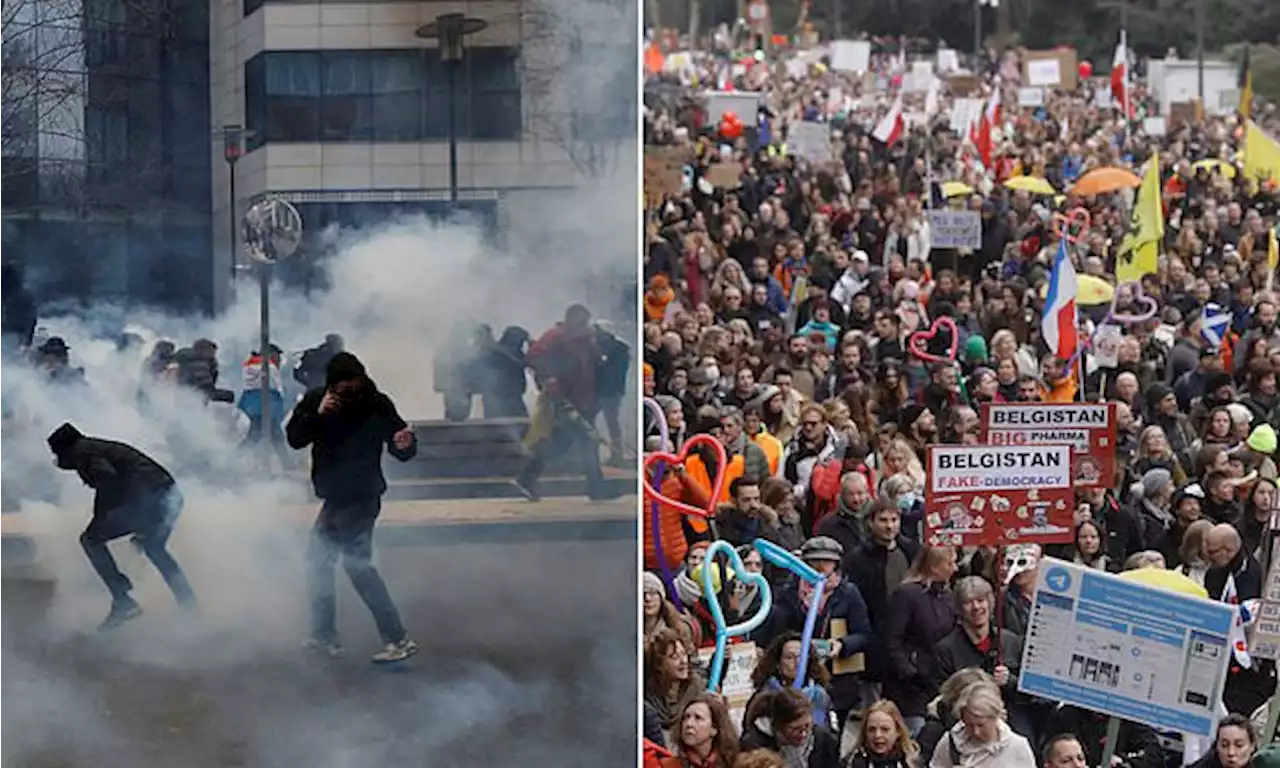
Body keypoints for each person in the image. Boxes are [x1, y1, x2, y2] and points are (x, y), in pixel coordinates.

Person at [284, 352, 419, 664]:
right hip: (334, 497)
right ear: (331, 386)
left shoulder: (376, 403)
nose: (349, 394)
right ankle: (324, 637)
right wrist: (316, 415)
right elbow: (294, 440)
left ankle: (397, 638)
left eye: (354, 386)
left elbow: (401, 445)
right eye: (342, 389)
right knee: (318, 562)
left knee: (357, 565)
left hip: (362, 496)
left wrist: (405, 444)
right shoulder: (316, 400)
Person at [46, 422, 197, 630]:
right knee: (154, 549)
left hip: (150, 499)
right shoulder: (93, 447)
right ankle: (191, 608)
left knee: (90, 540)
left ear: (66, 449)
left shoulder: (83, 452)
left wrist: (101, 517)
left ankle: (123, 601)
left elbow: (107, 480)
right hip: (169, 497)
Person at [516, 305, 611, 502]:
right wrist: (549, 382)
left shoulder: (586, 341)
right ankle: (596, 488)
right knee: (587, 441)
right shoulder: (555, 336)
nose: (585, 326)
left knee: (563, 442)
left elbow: (596, 366)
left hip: (586, 399)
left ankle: (527, 477)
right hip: (565, 399)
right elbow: (534, 356)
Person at [927, 679, 1035, 768]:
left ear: (995, 717)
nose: (976, 732)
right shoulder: (950, 742)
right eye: (969, 725)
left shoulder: (1017, 746)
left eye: (981, 725)